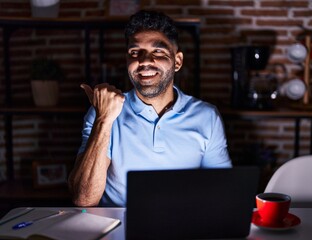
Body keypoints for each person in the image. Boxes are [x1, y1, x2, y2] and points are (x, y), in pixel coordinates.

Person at [68, 10, 232, 207]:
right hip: (119, 230)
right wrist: (104, 119)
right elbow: (83, 199)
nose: (145, 61)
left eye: (158, 52)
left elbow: (222, 191)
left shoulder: (207, 117)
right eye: (135, 52)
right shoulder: (103, 112)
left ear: (177, 61)